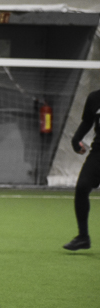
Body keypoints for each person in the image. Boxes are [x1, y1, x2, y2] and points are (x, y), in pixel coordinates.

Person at [63, 89, 100, 251]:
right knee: (82, 187)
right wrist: (76, 139)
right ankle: (83, 237)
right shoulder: (95, 97)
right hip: (98, 152)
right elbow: (87, 121)